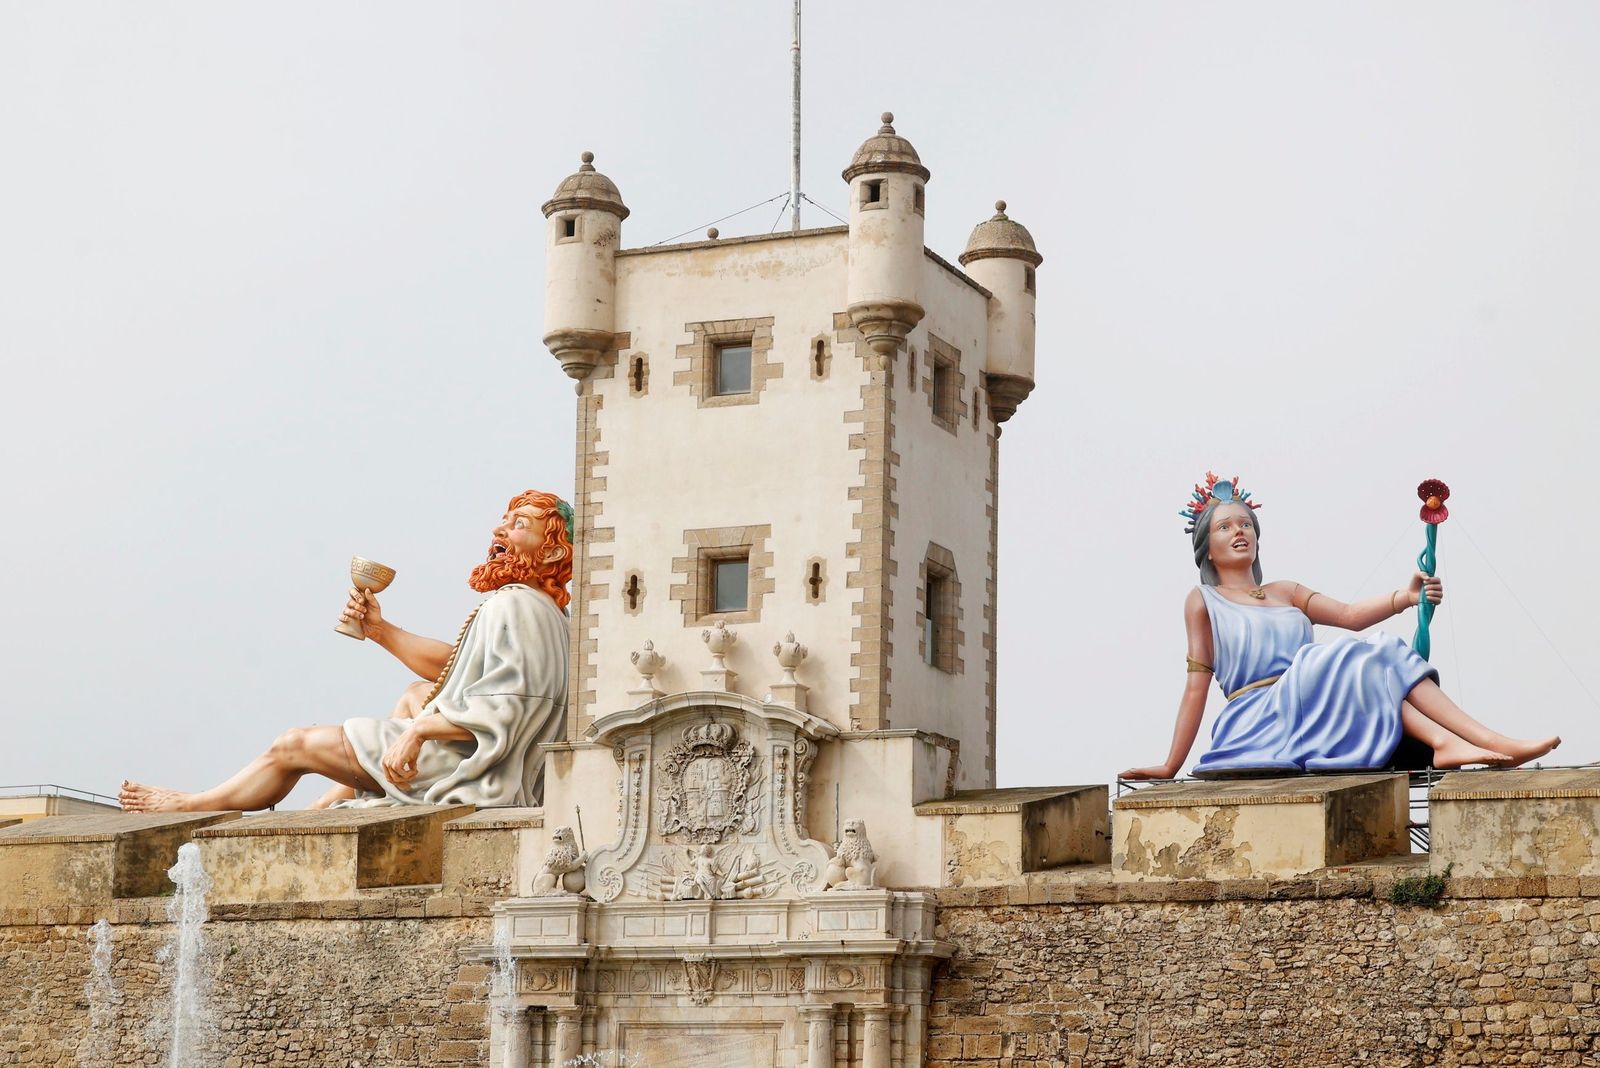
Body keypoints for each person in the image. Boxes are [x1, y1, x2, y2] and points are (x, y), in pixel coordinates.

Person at [119, 490, 572, 811]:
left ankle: (196, 803)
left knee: (292, 745)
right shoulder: (534, 607)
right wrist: (380, 630)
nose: (500, 530)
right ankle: (332, 801)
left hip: (475, 771)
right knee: (417, 692)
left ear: (553, 555)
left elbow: (508, 708)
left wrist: (415, 735)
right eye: (505, 519)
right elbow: (455, 670)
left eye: (520, 524)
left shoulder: (518, 607)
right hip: (483, 755)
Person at [1122, 474, 1559, 780]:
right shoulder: (1204, 601)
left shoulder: (1285, 590)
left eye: (1246, 524)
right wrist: (1170, 765)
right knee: (1338, 658)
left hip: (1313, 702)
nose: (1240, 532)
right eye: (1225, 527)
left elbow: (1349, 617)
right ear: (1208, 548)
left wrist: (1405, 599)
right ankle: (1464, 742)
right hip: (1258, 719)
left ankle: (1478, 741)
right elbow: (1195, 688)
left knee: (1376, 654)